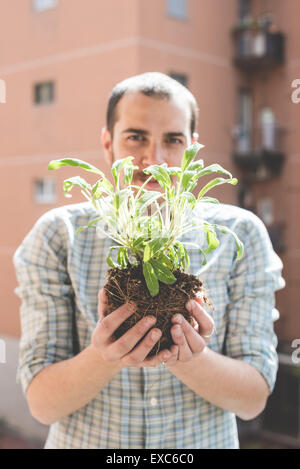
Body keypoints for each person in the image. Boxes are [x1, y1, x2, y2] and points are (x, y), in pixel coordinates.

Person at [13, 72, 285, 449]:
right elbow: (41, 403)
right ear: (108, 144)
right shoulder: (57, 235)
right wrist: (103, 357)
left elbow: (254, 399)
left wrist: (190, 359)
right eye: (136, 137)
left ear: (192, 149)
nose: (153, 158)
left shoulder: (241, 234)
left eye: (173, 140)